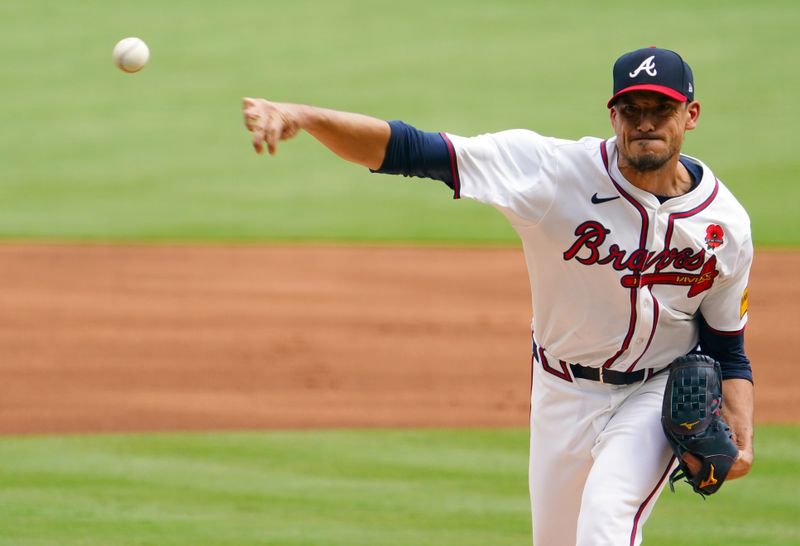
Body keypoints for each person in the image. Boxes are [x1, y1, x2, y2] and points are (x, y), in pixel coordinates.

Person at [242, 46, 754, 546]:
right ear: (613, 115)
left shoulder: (725, 225)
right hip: (561, 390)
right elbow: (412, 149)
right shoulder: (552, 172)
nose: (646, 122)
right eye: (632, 109)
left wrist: (742, 432)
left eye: (662, 109)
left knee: (606, 518)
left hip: (654, 392)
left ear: (690, 115)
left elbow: (726, 343)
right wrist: (304, 116)